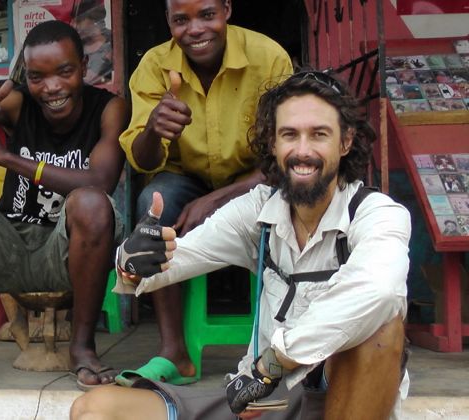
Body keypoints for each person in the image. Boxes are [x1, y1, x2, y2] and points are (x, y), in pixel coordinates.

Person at [72, 71, 410, 419]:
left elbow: (379, 291)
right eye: (289, 135)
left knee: (382, 330)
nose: (303, 151)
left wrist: (275, 363)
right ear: (273, 144)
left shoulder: (376, 214)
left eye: (319, 135)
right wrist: (133, 261)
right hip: (258, 403)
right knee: (95, 410)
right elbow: (179, 257)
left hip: (331, 401)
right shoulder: (260, 208)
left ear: (345, 141)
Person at [0, 19, 130, 403]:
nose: (51, 88)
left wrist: (6, 158)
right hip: (8, 247)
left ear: (84, 66)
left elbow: (100, 180)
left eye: (64, 72)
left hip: (68, 252)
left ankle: (82, 348)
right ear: (26, 77)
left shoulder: (108, 108)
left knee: (91, 201)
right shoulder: (16, 101)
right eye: (37, 77)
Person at [115, 0, 293, 386]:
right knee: (153, 205)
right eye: (181, 20)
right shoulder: (154, 66)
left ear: (227, 10)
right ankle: (174, 352)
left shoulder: (268, 58)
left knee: (291, 206)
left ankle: (280, 344)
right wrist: (153, 129)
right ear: (168, 21)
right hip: (185, 178)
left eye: (206, 15)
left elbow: (286, 155)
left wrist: (217, 199)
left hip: (257, 178)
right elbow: (144, 162)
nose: (195, 29)